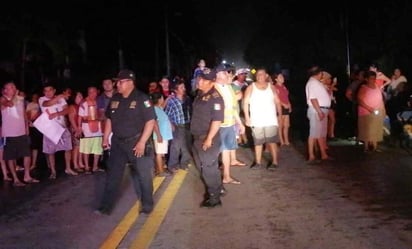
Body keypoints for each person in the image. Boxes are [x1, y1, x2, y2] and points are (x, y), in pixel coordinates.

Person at [95, 69, 156, 215]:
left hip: (136, 142)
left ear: (130, 82)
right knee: (113, 175)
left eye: (120, 82)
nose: (118, 85)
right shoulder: (115, 99)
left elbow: (150, 121)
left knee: (143, 175)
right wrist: (105, 137)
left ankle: (147, 205)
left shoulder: (142, 99)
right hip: (118, 143)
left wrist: (142, 142)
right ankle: (106, 207)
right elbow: (109, 118)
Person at [191, 68, 225, 208]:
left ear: (211, 82)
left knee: (208, 168)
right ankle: (218, 187)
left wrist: (209, 139)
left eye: (204, 79)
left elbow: (217, 121)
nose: (200, 81)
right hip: (196, 137)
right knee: (202, 167)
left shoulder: (216, 98)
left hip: (206, 138)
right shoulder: (200, 94)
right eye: (200, 78)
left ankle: (214, 198)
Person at [1, 82, 39, 186]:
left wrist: (26, 127)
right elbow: (10, 104)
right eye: (11, 87)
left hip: (21, 131)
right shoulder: (3, 99)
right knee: (11, 157)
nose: (14, 88)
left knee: (27, 154)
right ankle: (16, 179)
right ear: (5, 90)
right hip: (9, 133)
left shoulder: (20, 99)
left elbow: (23, 114)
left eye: (14, 86)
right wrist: (16, 96)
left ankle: (27, 176)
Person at [243, 68, 282, 170]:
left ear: (266, 75)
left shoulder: (271, 87)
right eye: (258, 74)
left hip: (271, 119)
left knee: (272, 141)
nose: (260, 76)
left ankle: (275, 162)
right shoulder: (251, 87)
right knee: (258, 142)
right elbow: (245, 103)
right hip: (256, 120)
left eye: (262, 74)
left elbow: (277, 102)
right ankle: (258, 162)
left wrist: (280, 115)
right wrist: (247, 117)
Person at [305, 66, 332, 164]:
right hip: (317, 110)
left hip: (321, 109)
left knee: (319, 133)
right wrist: (319, 111)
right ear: (318, 73)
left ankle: (323, 154)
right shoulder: (312, 83)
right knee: (313, 133)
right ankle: (311, 155)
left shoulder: (316, 83)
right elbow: (313, 98)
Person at [150, 92, 173, 176]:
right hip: (160, 135)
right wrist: (159, 135)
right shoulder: (154, 110)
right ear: (159, 100)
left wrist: (168, 99)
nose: (163, 100)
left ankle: (160, 169)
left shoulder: (158, 108)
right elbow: (154, 123)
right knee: (159, 154)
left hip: (163, 135)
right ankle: (161, 172)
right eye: (162, 98)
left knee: (161, 153)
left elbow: (163, 106)